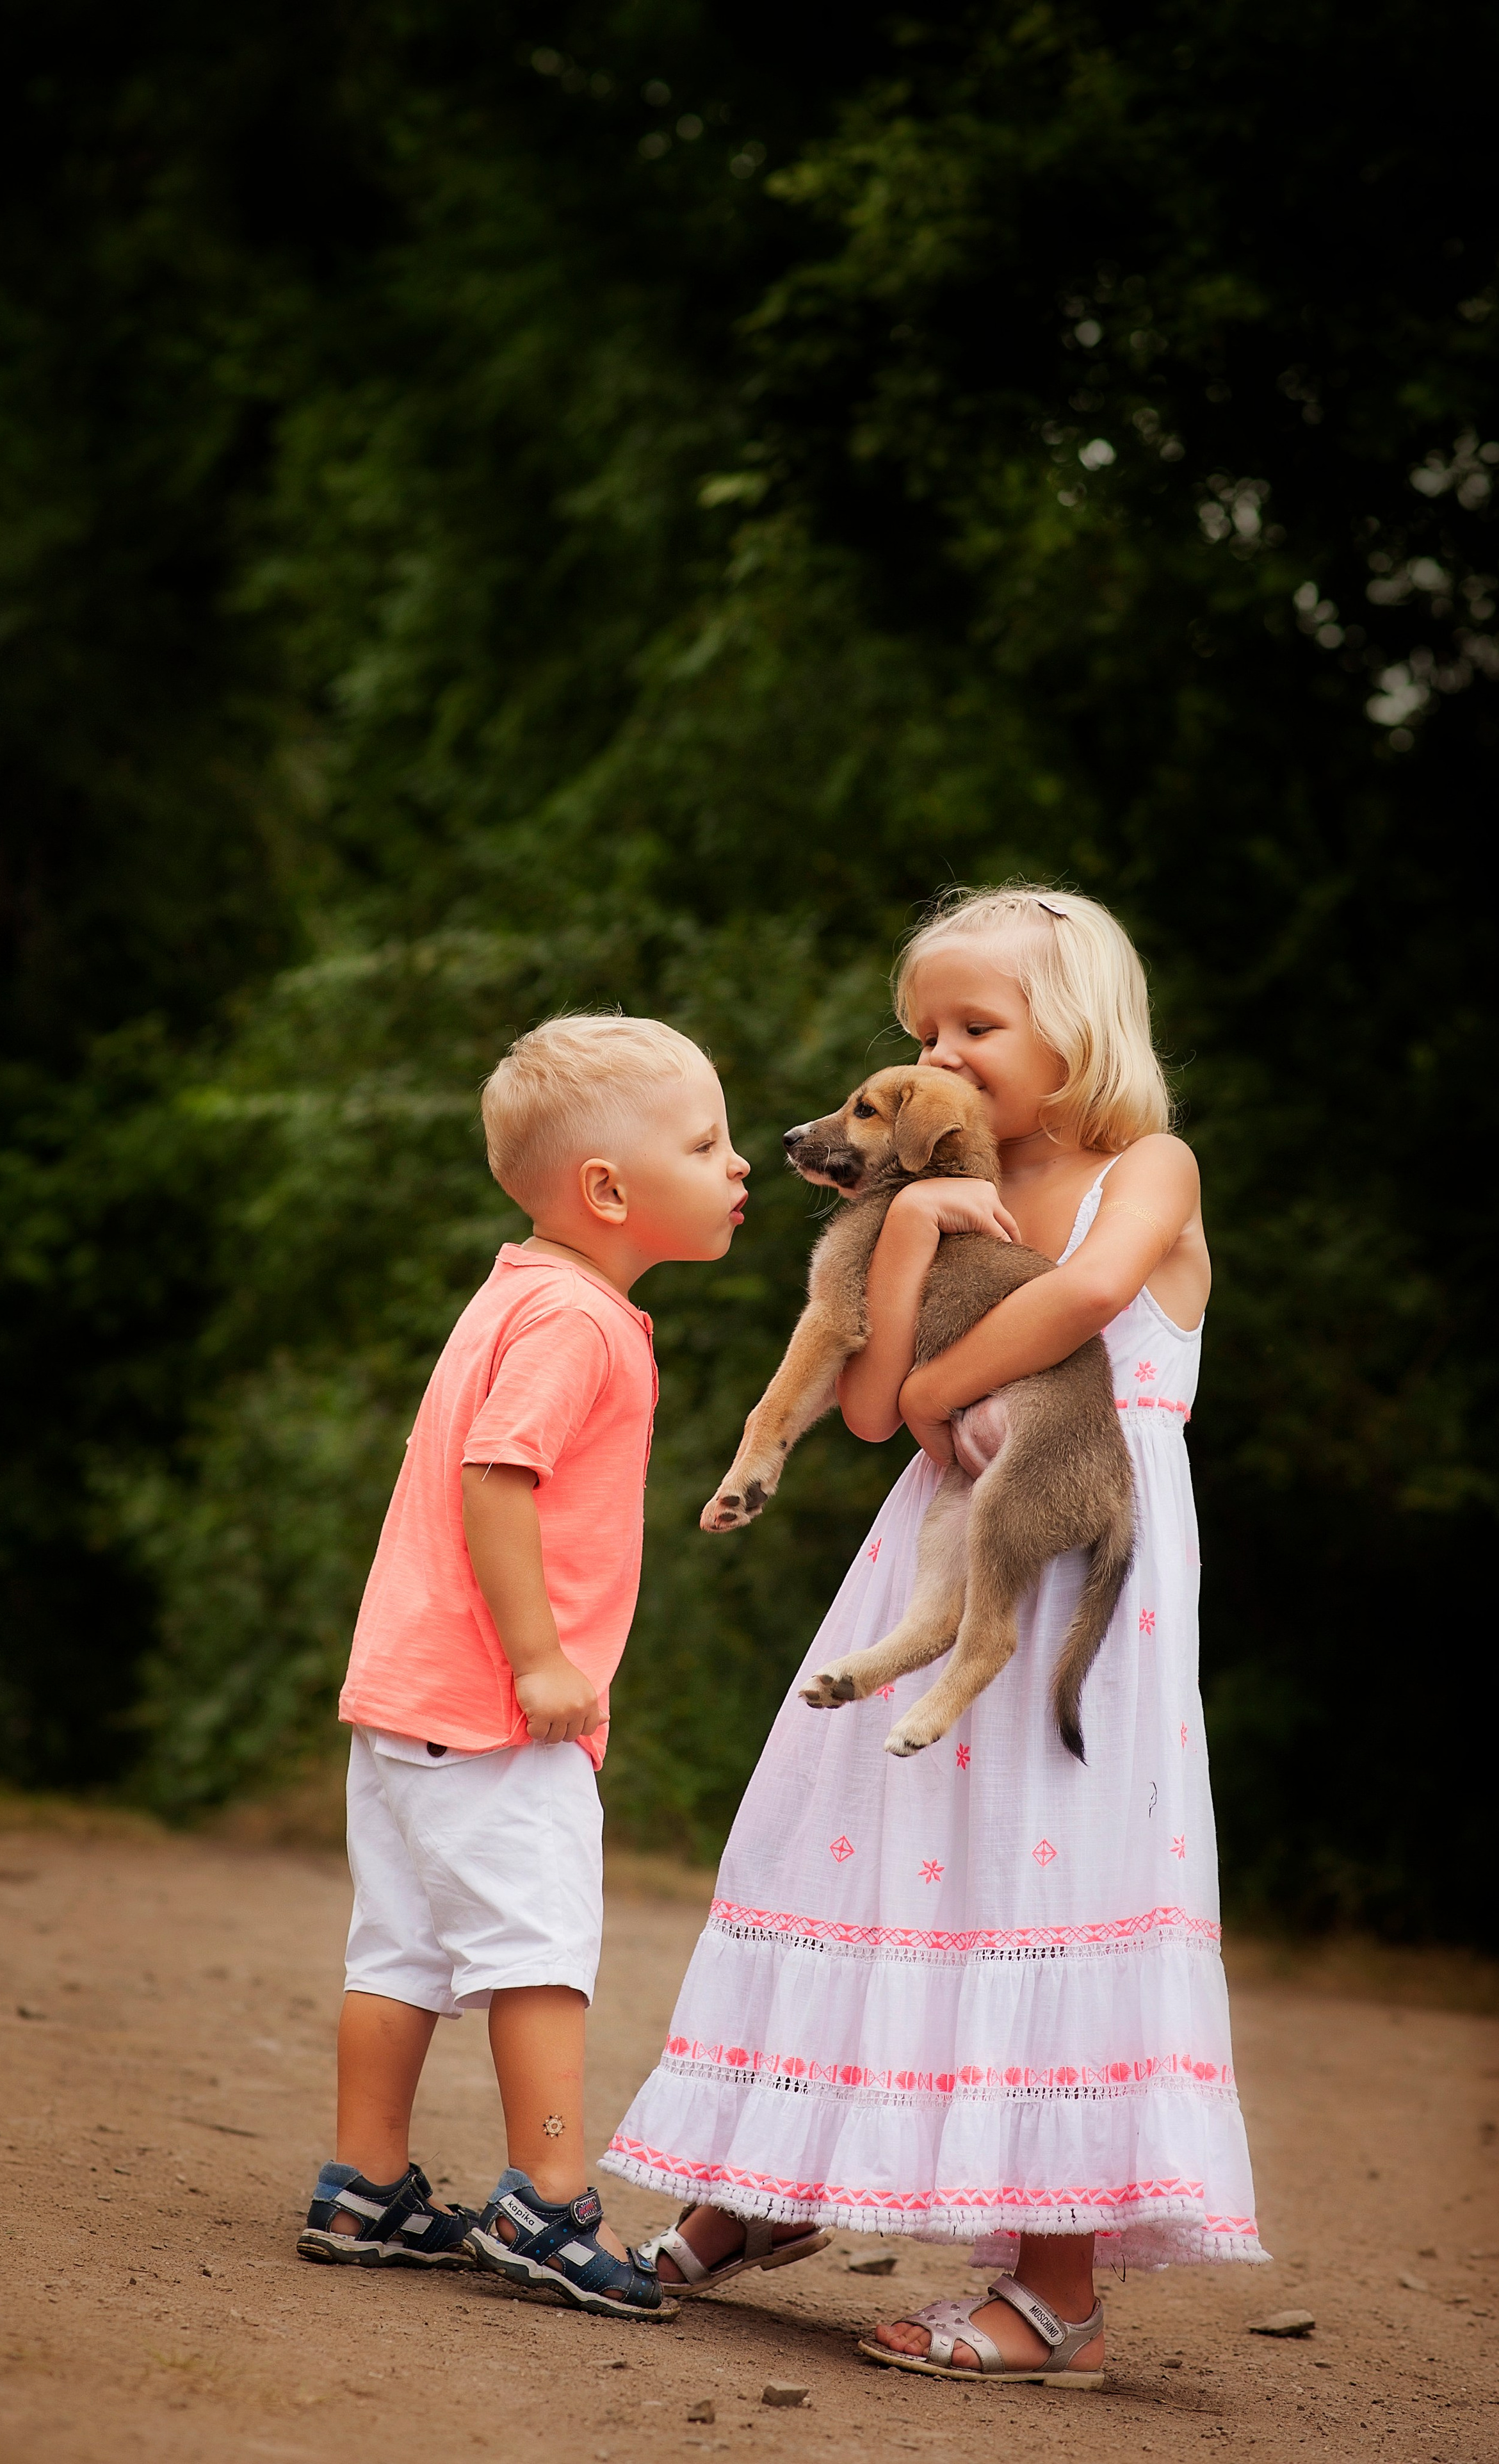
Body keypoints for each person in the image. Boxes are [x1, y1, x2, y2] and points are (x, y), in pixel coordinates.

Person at [603, 885, 1265, 2383]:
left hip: (1068, 1553)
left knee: (1047, 1876)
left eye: (979, 1027)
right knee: (859, 1840)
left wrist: (928, 1391)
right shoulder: (911, 1192)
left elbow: (1092, 1293)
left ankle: (1053, 2289)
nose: (944, 1057)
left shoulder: (1143, 1167)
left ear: (1077, 1031)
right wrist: (902, 1230)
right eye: (922, 1033)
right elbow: (856, 1405)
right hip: (923, 1558)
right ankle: (760, 2189)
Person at [298, 1013, 750, 2318]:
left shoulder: (517, 1292)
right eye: (705, 1140)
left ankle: (365, 2183)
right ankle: (547, 2204)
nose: (734, 1165)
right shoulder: (581, 1322)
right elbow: (497, 1477)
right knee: (538, 1949)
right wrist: (544, 1661)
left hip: (408, 1692)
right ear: (606, 1189)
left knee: (396, 1948)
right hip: (496, 1707)